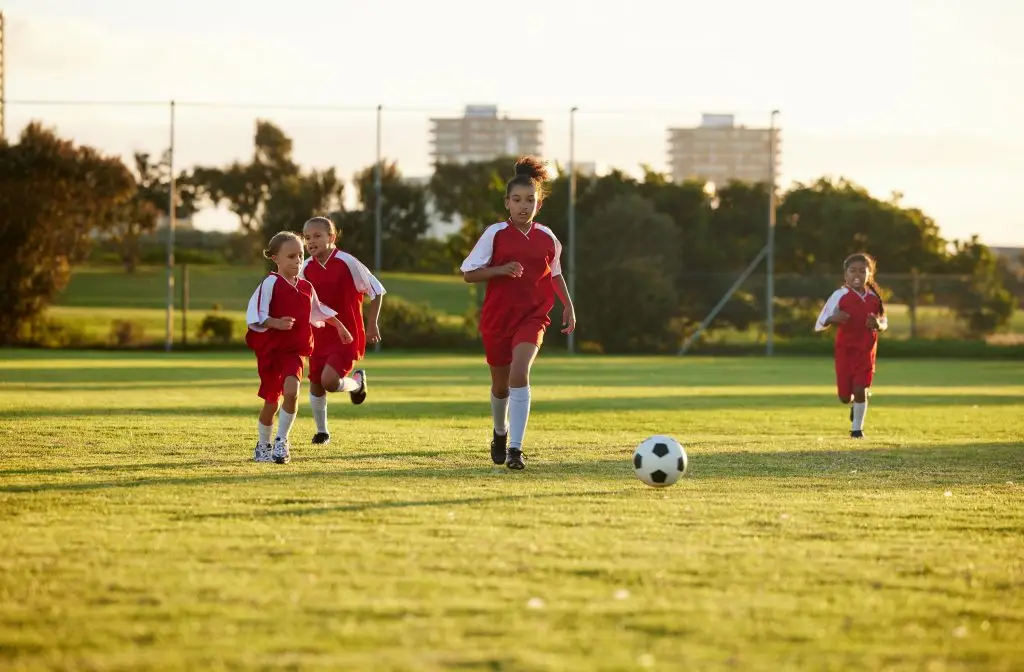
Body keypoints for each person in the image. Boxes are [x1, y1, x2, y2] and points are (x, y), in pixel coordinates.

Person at [460, 157, 576, 470]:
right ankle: (500, 432)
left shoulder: (548, 237)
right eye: (517, 200)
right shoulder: (495, 233)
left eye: (530, 200)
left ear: (539, 203)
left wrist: (568, 304)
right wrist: (500, 270)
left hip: (533, 317)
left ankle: (515, 448)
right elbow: (469, 273)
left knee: (519, 373)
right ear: (507, 203)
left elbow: (554, 274)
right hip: (498, 319)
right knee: (500, 386)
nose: (523, 206)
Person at [245, 231, 352, 464]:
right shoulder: (270, 283)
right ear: (276, 258)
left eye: (300, 256)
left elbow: (319, 309)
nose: (297, 262)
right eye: (291, 257)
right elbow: (256, 313)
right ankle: (263, 444)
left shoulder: (306, 287)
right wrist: (275, 323)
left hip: (294, 352)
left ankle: (281, 441)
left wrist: (340, 326)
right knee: (272, 401)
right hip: (272, 352)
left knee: (292, 392)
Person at [299, 216, 385, 446]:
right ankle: (322, 432)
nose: (311, 241)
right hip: (317, 335)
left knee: (329, 381)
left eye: (317, 236)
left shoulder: (347, 262)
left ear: (332, 237)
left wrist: (372, 324)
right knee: (316, 383)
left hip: (346, 335)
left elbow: (377, 291)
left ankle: (356, 383)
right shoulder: (305, 268)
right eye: (307, 237)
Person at [814, 252, 888, 438]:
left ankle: (857, 430)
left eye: (862, 271)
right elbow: (820, 322)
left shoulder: (875, 298)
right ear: (845, 274)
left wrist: (878, 325)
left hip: (866, 350)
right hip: (845, 350)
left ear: (869, 274)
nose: (857, 274)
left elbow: (884, 322)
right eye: (852, 270)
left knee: (860, 388)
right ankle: (855, 404)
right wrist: (833, 318)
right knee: (845, 396)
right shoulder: (839, 295)